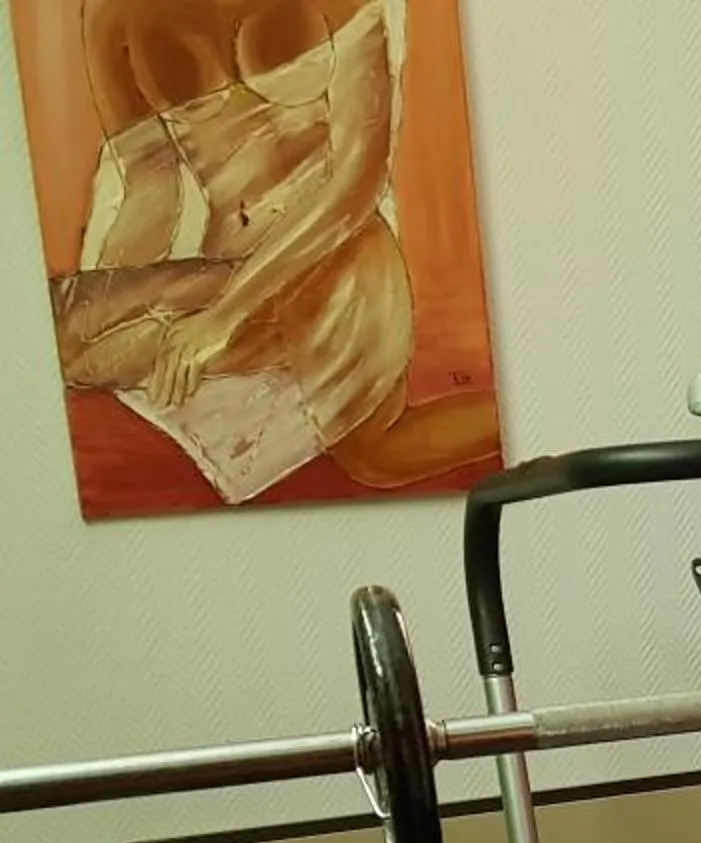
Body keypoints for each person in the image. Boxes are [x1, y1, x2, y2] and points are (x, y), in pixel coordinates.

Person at [51, 0, 497, 497]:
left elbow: (356, 183)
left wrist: (220, 318)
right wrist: (124, 297)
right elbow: (149, 188)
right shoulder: (111, 15)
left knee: (377, 456)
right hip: (222, 277)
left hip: (335, 266)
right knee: (64, 330)